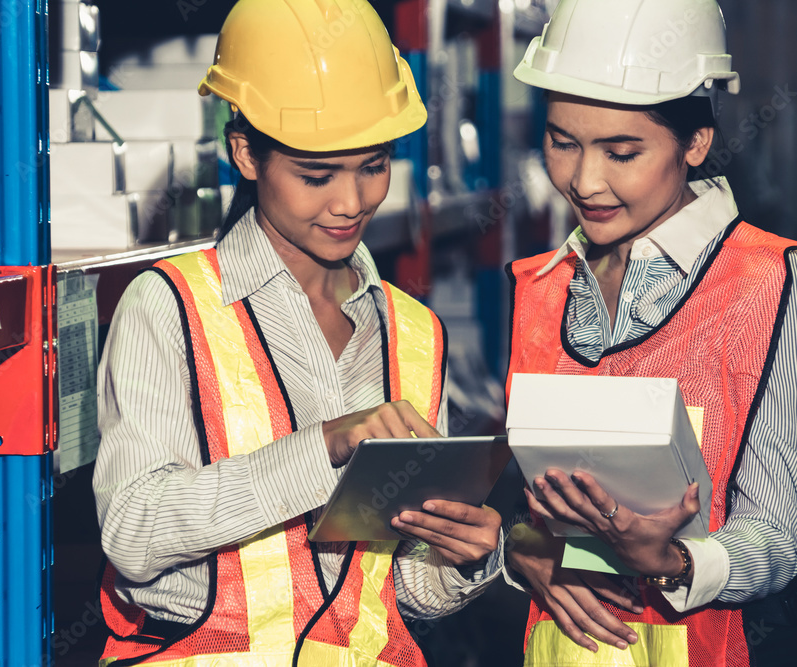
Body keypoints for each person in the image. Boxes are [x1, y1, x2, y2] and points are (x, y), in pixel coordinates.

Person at [92, 1, 502, 664]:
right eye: (316, 175)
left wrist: (460, 554)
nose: (351, 202)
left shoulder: (414, 331)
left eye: (374, 165)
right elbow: (133, 532)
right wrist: (324, 446)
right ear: (245, 153)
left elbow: (401, 588)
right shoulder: (169, 308)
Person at [502, 1, 797, 665]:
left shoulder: (773, 284)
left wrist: (673, 562)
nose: (584, 181)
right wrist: (521, 547)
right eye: (562, 142)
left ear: (694, 142)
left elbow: (780, 535)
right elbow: (521, 498)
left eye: (622, 151)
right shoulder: (537, 287)